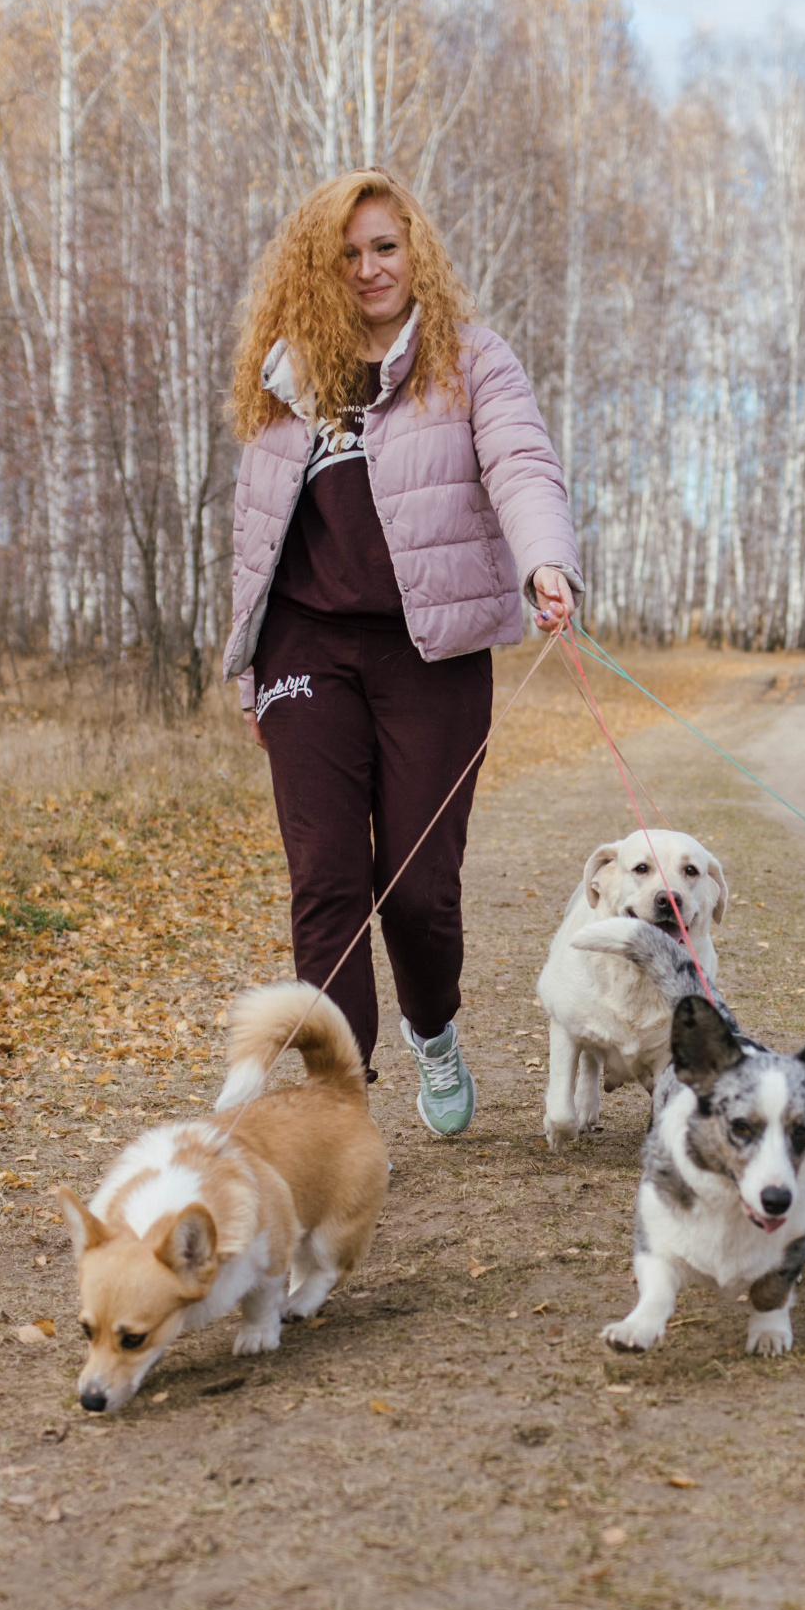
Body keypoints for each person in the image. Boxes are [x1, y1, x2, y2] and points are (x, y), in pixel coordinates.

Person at [223, 169, 579, 1138]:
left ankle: (434, 1028)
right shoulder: (286, 376)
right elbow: (257, 535)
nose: (370, 267)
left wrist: (545, 560)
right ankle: (336, 1105)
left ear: (415, 250)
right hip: (306, 646)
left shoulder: (469, 360)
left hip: (435, 650)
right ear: (318, 268)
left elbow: (520, 461)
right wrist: (251, 666)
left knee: (417, 886)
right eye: (348, 252)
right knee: (326, 879)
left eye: (385, 246)